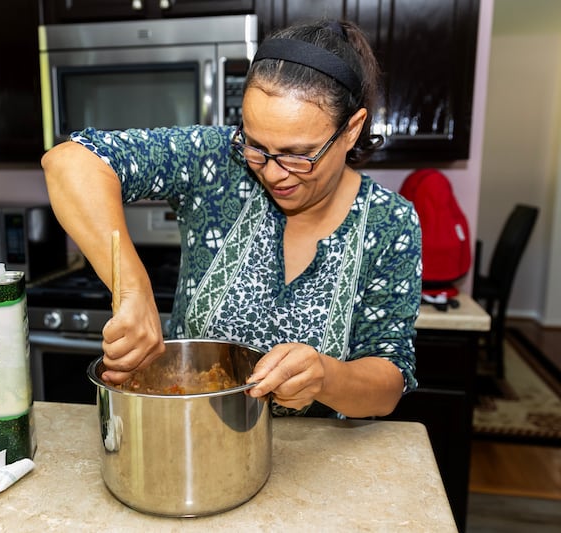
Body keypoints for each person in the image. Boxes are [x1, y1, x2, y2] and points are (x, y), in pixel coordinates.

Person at [41, 19, 421, 419]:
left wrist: (326, 377)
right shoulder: (215, 161)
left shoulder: (389, 222)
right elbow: (69, 162)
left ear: (351, 129)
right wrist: (133, 290)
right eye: (257, 146)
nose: (273, 172)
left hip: (317, 467)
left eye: (298, 153)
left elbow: (388, 379)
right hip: (191, 441)